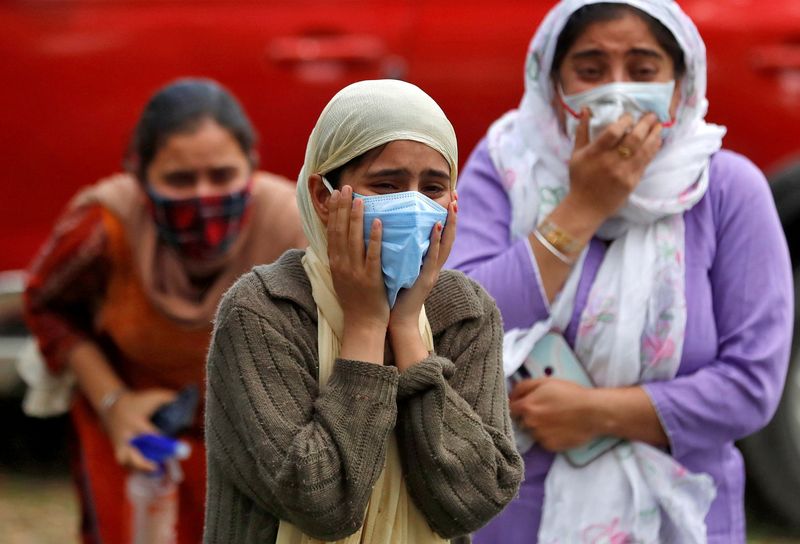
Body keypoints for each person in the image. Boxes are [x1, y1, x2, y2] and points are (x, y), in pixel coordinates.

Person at [446, 1, 793, 543]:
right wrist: (582, 207)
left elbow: (751, 385)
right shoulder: (508, 167)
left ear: (681, 85)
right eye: (589, 69)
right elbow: (458, 320)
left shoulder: (726, 188)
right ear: (552, 85)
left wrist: (599, 414)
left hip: (682, 514)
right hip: (517, 512)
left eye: (643, 68)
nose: (616, 89)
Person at [204, 79, 524, 544]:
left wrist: (407, 330)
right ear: (322, 195)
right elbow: (324, 505)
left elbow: (472, 499)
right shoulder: (263, 311)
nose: (414, 205)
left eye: (433, 187)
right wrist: (367, 325)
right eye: (386, 185)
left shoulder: (464, 312)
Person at [23, 78, 307, 544]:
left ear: (251, 167)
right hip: (131, 430)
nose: (202, 196)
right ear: (140, 177)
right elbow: (47, 305)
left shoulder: (295, 232)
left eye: (221, 176)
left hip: (252, 435)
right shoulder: (105, 227)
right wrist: (114, 403)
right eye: (179, 180)